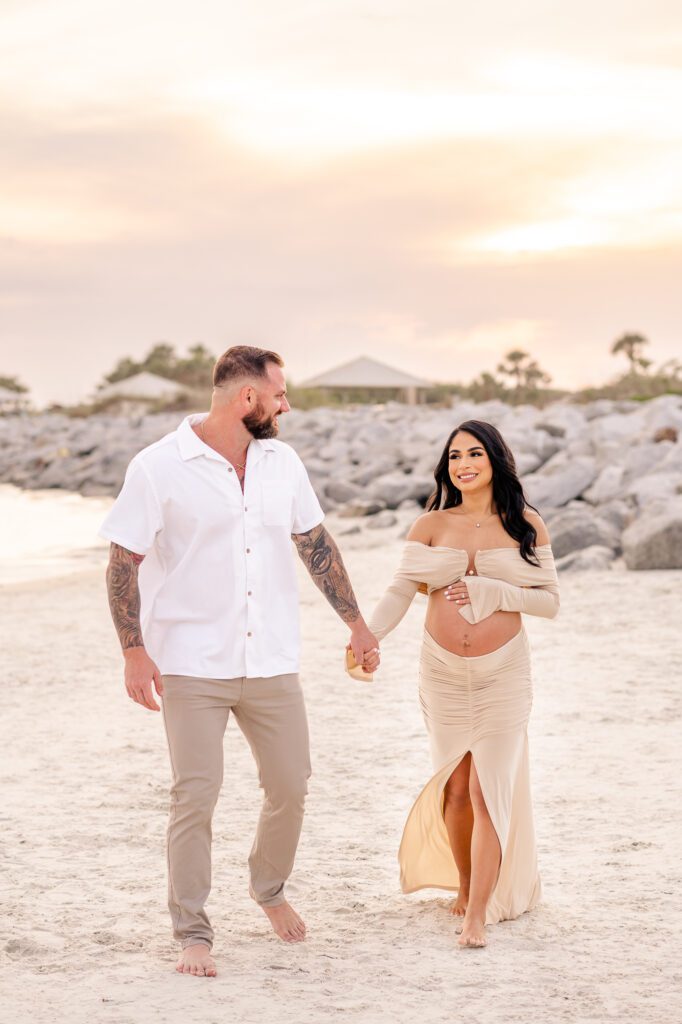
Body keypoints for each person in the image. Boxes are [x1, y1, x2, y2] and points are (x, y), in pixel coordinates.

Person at [100, 345, 380, 978]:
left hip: (272, 657)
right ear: (246, 398)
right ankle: (192, 932)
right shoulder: (158, 467)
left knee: (291, 784)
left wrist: (357, 623)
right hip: (192, 661)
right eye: (279, 394)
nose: (287, 405)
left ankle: (268, 887)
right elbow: (124, 562)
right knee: (195, 796)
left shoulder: (283, 463)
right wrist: (133, 650)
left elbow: (314, 545)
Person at [366, 420, 559, 948]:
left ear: (495, 459)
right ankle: (467, 882)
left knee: (485, 788)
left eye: (475, 453)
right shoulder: (430, 525)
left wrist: (496, 590)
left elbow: (550, 602)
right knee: (453, 788)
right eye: (455, 456)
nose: (464, 464)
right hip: (443, 675)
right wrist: (367, 635)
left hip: (503, 676)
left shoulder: (526, 524)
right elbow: (401, 590)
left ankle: (477, 915)